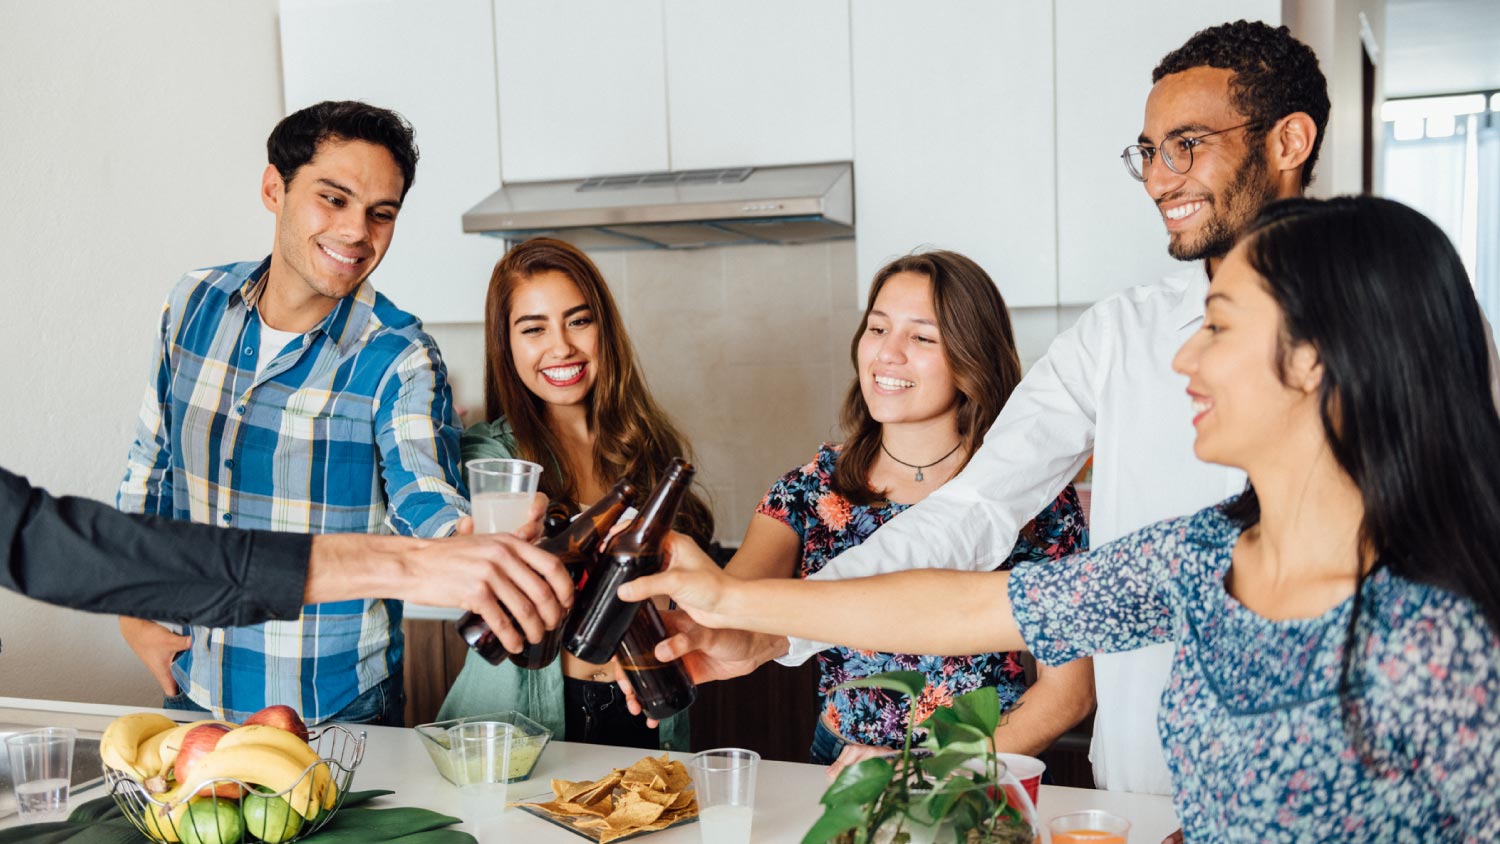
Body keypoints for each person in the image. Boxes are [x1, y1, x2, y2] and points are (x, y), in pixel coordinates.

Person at [625, 196, 1500, 842]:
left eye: (1218, 327)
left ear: (1315, 359)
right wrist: (743, 610)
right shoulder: (1198, 559)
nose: (1184, 357)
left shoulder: (1453, 640)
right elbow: (971, 606)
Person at [646, 19, 1334, 795]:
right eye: (1147, 152)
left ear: (1288, 140)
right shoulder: (1163, 503)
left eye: (1185, 145)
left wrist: (755, 611)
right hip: (1143, 791)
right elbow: (970, 526)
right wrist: (761, 620)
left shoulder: (1399, 331)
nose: (1158, 178)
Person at [115, 101, 467, 727]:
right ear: (274, 188)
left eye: (380, 213)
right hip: (192, 687)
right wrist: (131, 612)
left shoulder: (400, 356)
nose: (359, 231)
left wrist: (471, 543)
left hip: (335, 707)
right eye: (334, 199)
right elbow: (153, 462)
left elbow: (427, 499)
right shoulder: (193, 303)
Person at [671, 250, 1089, 772]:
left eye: (922, 337)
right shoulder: (808, 490)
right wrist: (707, 634)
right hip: (841, 760)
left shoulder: (1034, 499)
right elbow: (741, 609)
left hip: (980, 767)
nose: (888, 354)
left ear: (972, 357)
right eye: (877, 329)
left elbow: (1068, 692)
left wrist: (933, 769)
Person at [437, 237, 713, 752]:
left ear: (604, 328)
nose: (561, 346)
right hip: (519, 724)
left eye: (578, 321)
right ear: (507, 344)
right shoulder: (491, 458)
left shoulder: (647, 447)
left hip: (645, 714)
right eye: (534, 328)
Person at [2, 465, 568, 648]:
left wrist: (444, 550)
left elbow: (39, 537)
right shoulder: (194, 304)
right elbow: (52, 546)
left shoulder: (398, 345)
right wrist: (407, 565)